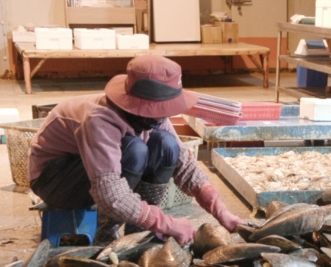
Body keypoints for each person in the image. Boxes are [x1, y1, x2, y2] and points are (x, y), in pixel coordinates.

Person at [28, 55, 248, 245]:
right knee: (135, 149)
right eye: (159, 110)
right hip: (57, 181)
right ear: (141, 105)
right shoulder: (100, 120)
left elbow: (185, 164)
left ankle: (139, 232)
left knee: (167, 145)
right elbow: (110, 194)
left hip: (92, 175)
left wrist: (222, 212)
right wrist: (167, 223)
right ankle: (106, 233)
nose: (164, 115)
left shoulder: (152, 115)